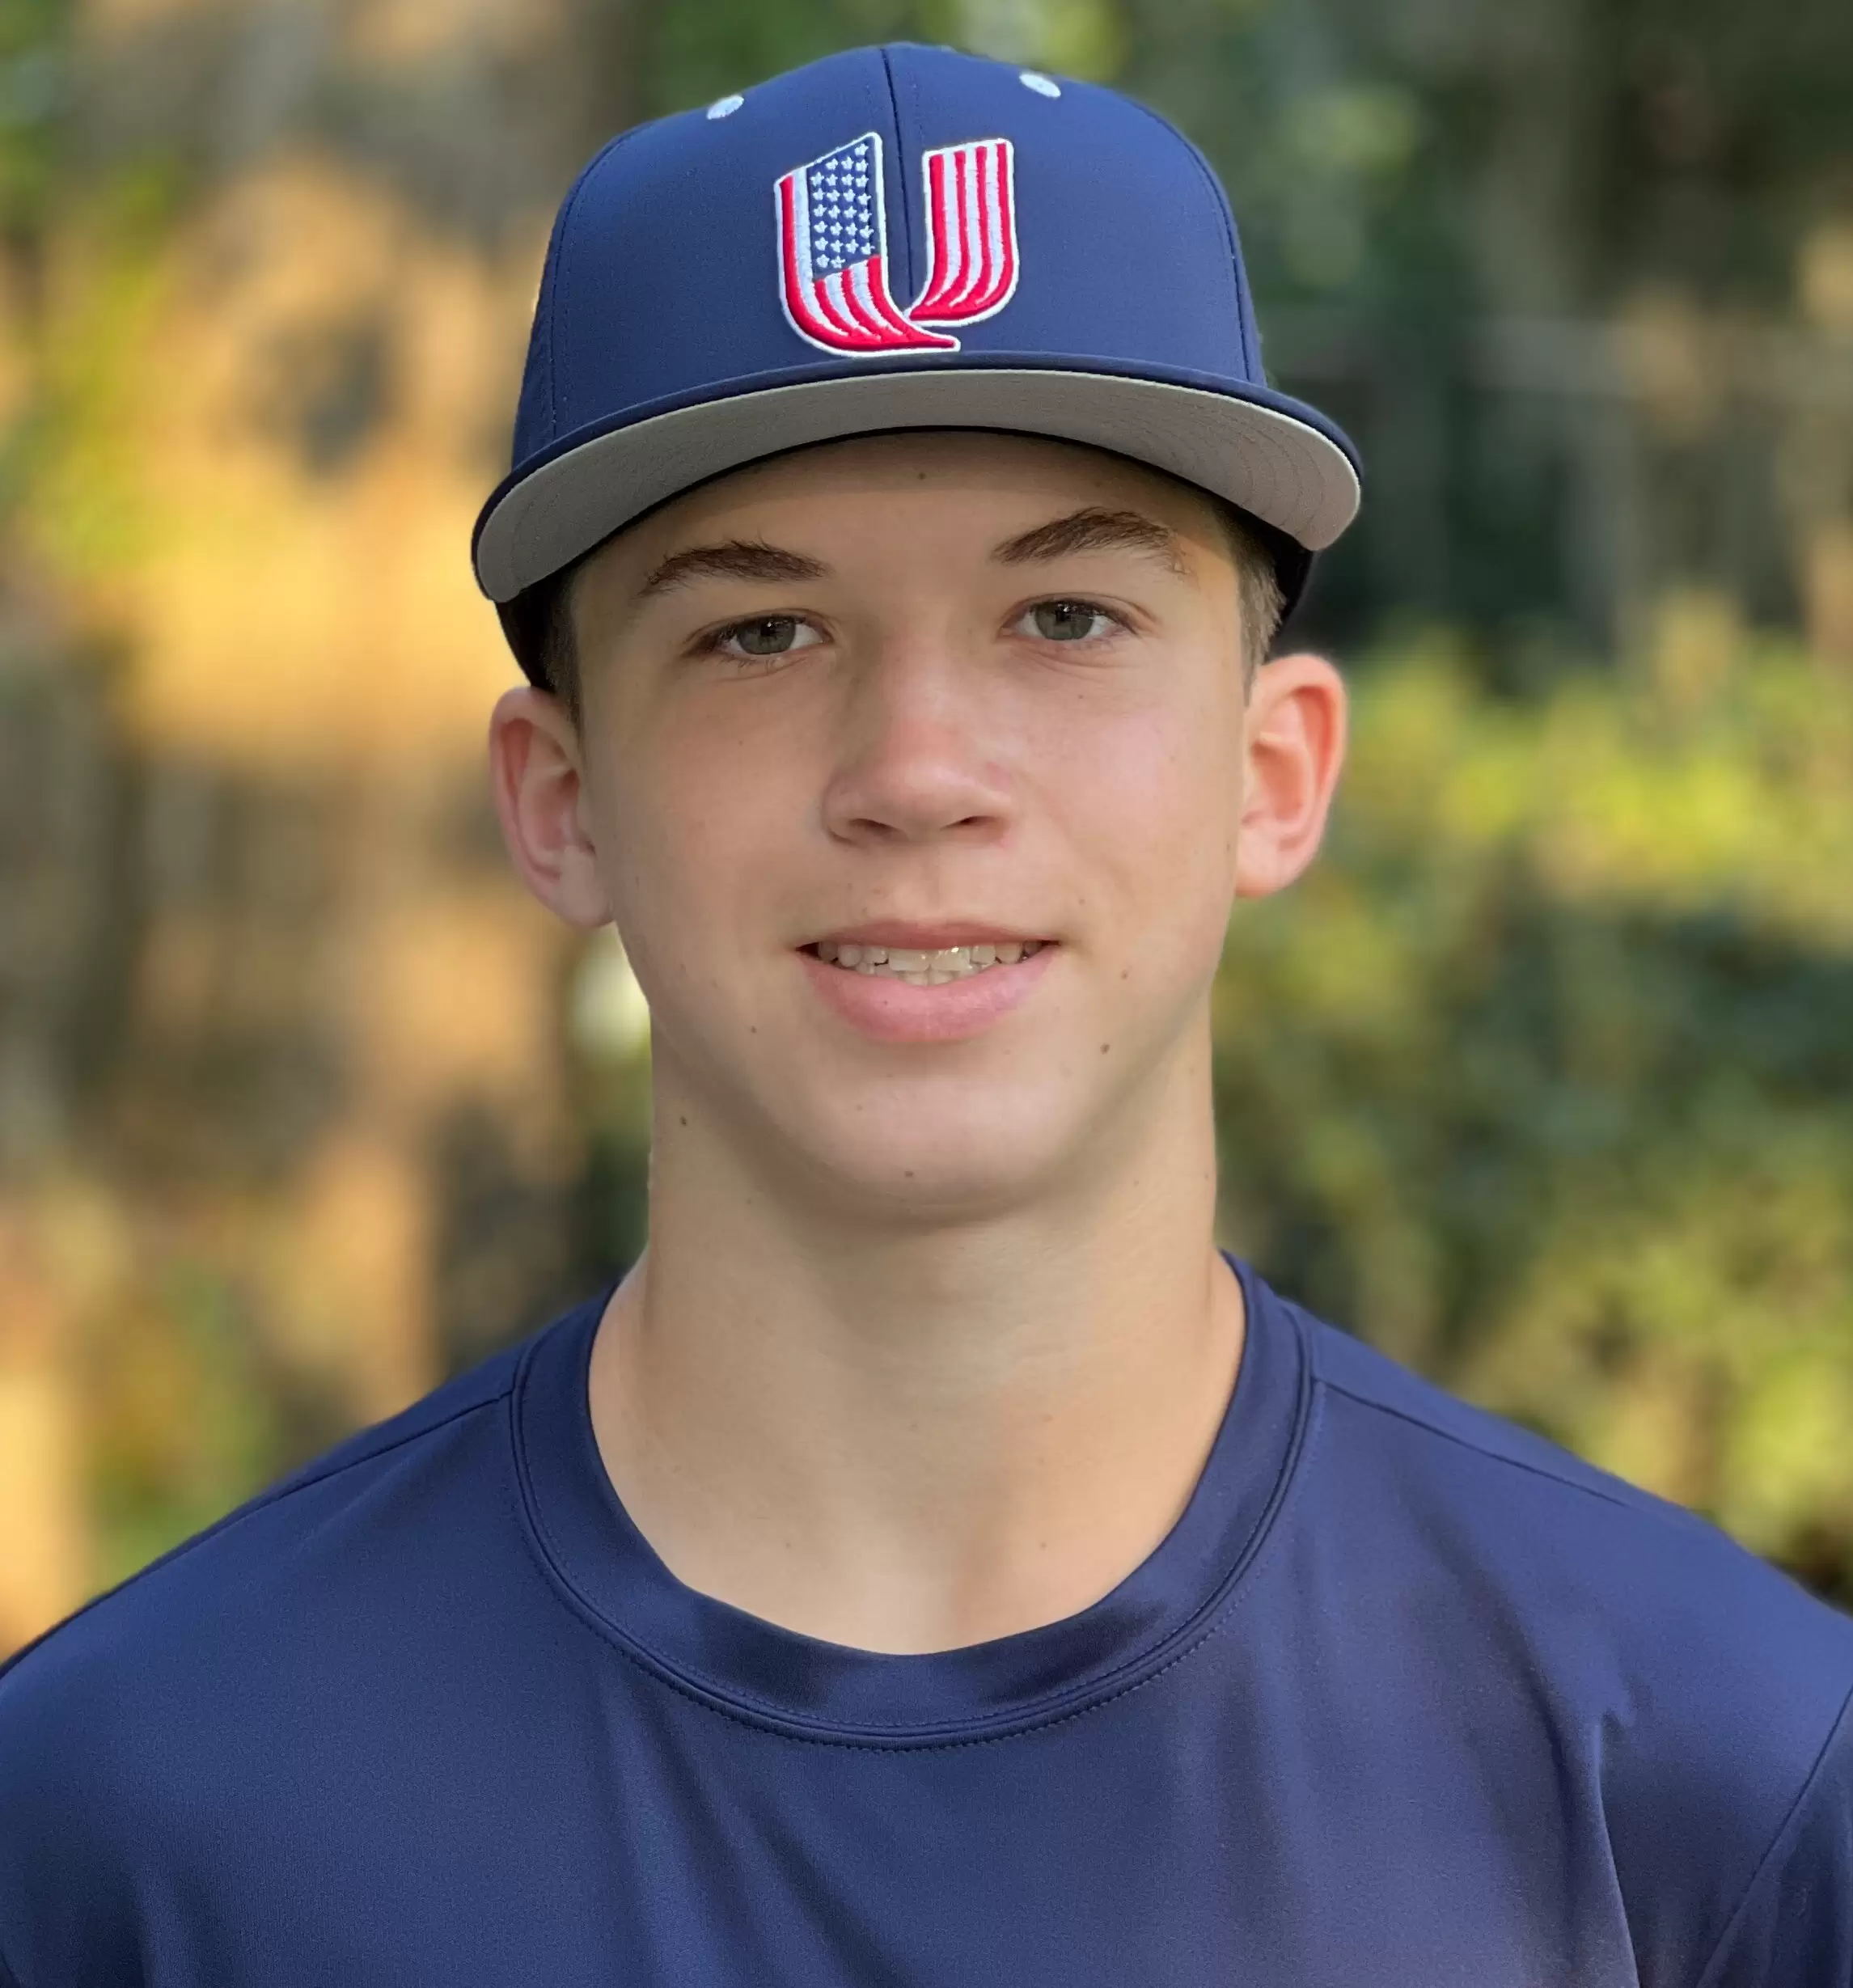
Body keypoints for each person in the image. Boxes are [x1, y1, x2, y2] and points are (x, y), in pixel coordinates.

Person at [1, 41, 1848, 1988]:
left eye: (1065, 617)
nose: (915, 768)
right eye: (759, 629)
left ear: (1272, 771)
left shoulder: (1715, 1778)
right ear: (560, 802)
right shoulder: (136, 1815)